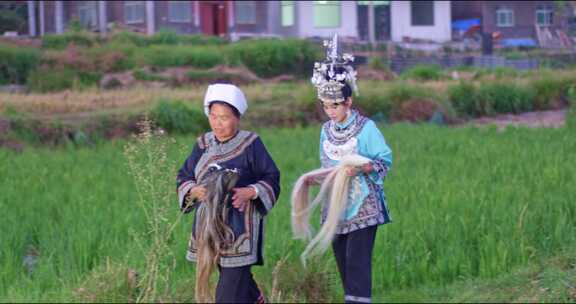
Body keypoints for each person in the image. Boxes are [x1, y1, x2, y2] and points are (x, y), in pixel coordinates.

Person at [307, 34, 393, 303]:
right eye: (325, 106)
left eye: (335, 105)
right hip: (335, 205)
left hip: (363, 205)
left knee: (357, 262)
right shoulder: (325, 131)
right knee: (342, 261)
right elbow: (327, 166)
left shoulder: (366, 128)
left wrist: (360, 168)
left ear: (348, 103)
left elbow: (384, 161)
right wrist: (315, 179)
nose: (330, 111)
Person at [176, 83, 280, 303]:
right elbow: (184, 176)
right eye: (213, 116)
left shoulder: (250, 144)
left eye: (224, 117)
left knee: (228, 295)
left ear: (237, 117)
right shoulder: (203, 144)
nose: (217, 123)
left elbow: (271, 176)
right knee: (242, 288)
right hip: (210, 230)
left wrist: (250, 192)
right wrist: (193, 190)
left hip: (240, 231)